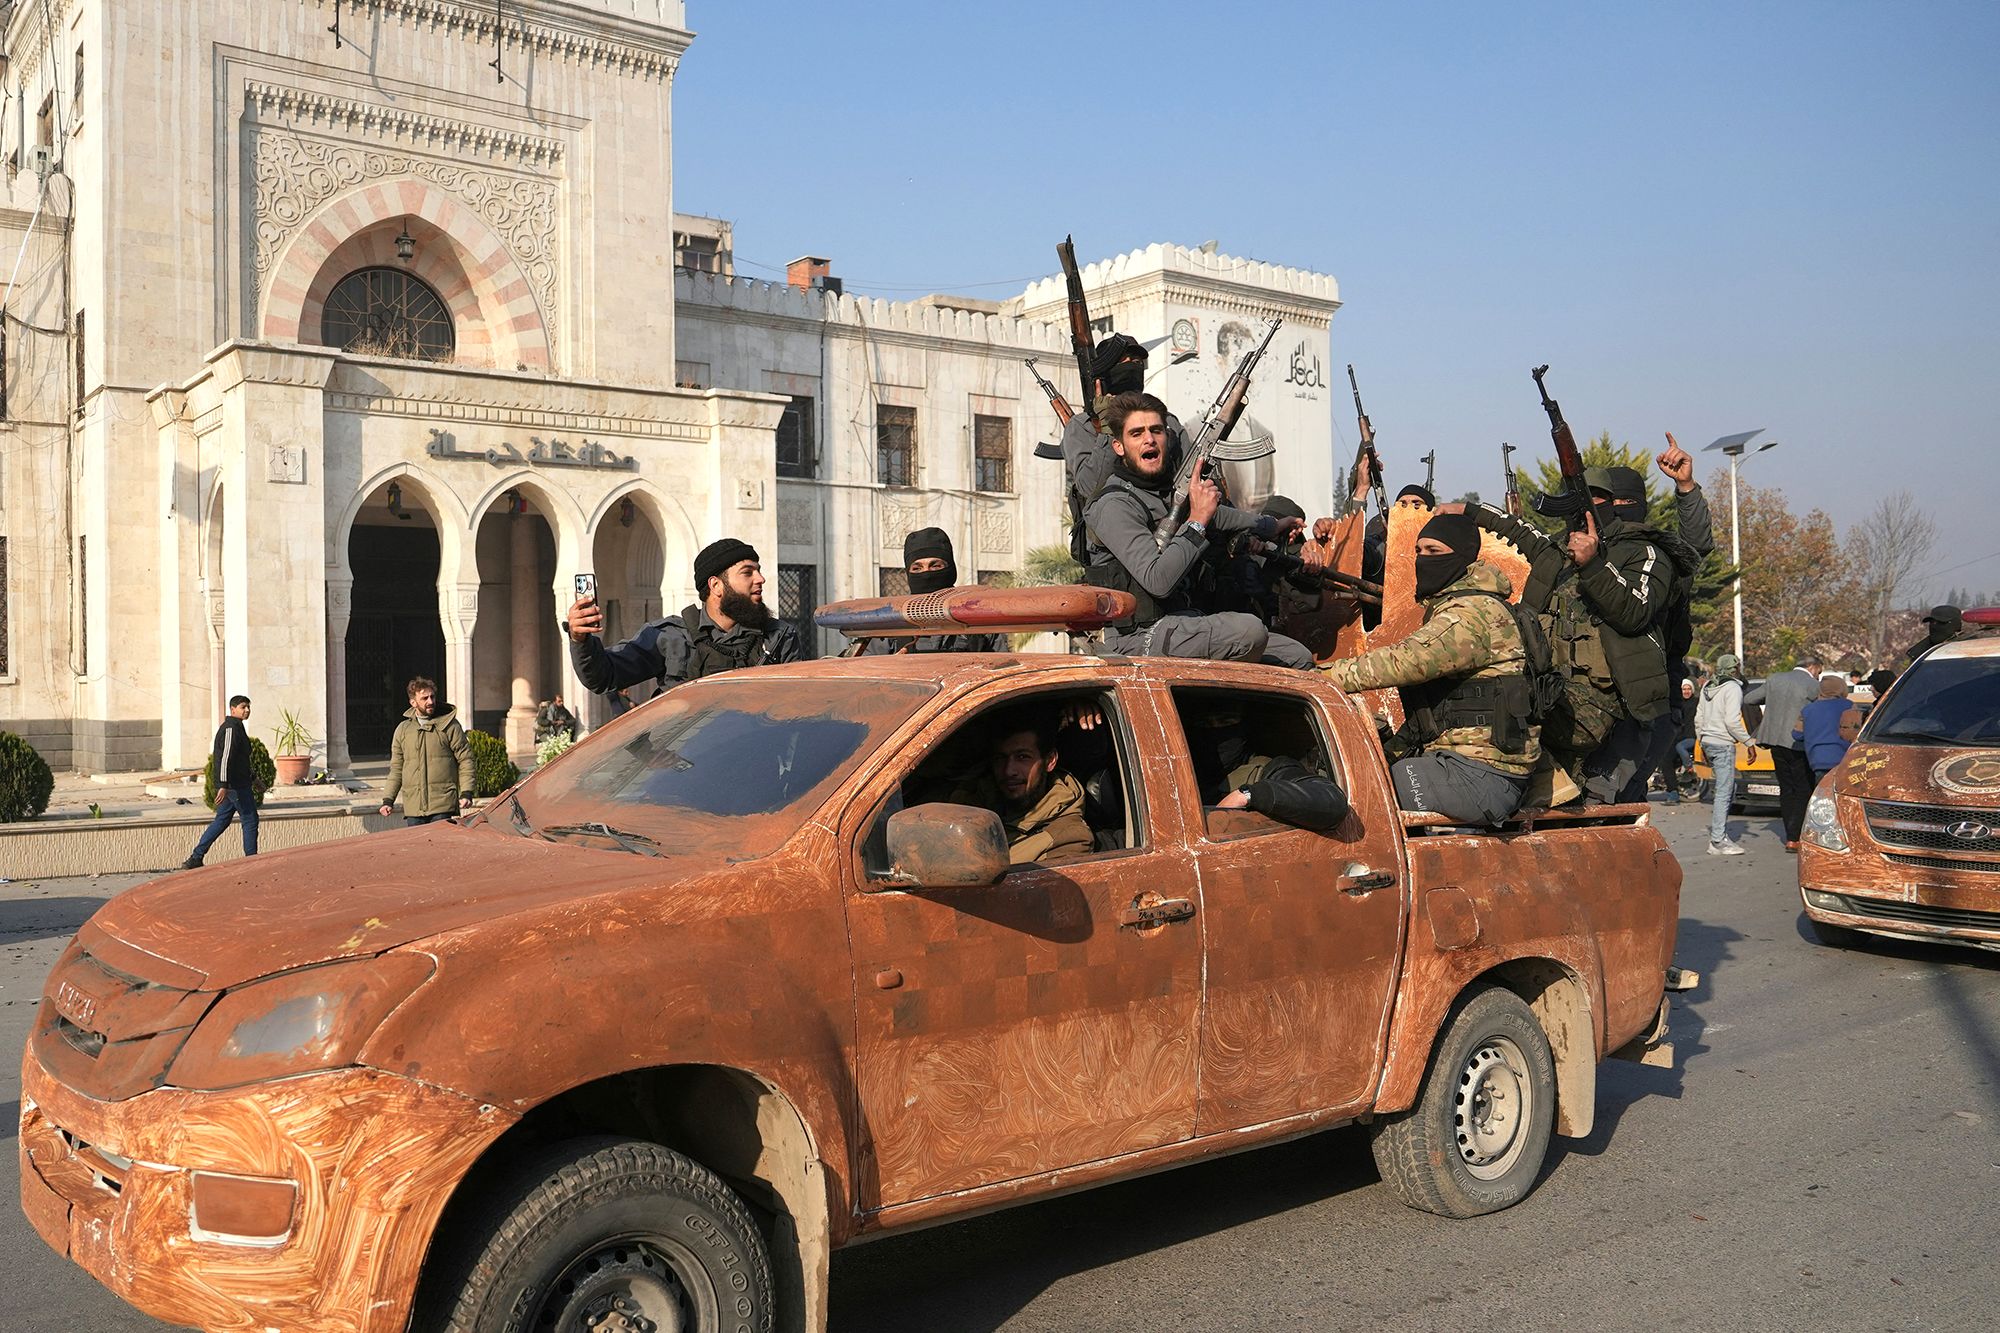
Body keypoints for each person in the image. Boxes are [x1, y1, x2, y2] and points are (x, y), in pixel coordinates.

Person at [1468, 466, 1673, 804]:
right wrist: (1467, 511)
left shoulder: (1645, 553)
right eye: (1578, 498)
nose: (1585, 508)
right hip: (1553, 699)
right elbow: (1520, 532)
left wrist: (1592, 564)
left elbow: (1634, 611)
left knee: (1601, 813)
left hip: (1607, 712)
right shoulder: (1556, 554)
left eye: (1598, 498)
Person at [1324, 512, 1539, 825]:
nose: (1423, 559)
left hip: (1482, 776)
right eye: (1419, 551)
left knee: (1369, 788)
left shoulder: (1472, 614)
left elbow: (1403, 661)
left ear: (1463, 558)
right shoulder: (1461, 605)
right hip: (1463, 765)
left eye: (1434, 552)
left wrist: (1321, 678)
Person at [1081, 392, 1312, 666]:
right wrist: (1198, 520)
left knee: (1298, 657)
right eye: (1137, 433)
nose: (1149, 439)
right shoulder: (1113, 505)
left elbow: (1219, 514)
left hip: (1181, 621)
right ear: (1119, 447)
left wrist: (1270, 525)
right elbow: (1158, 580)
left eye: (1156, 430)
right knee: (1249, 632)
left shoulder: (1162, 492)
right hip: (1135, 637)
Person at [566, 537, 801, 695]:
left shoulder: (778, 637)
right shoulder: (670, 636)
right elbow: (602, 677)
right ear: (716, 586)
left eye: (758, 571)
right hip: (685, 765)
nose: (760, 579)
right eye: (747, 573)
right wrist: (580, 639)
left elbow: (799, 706)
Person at [950, 707, 1093, 865]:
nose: (1009, 770)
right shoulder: (968, 797)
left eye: (1023, 757)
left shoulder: (1069, 838)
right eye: (1000, 758)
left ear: (1050, 760)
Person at [1184, 703, 1350, 832]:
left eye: (1226, 722)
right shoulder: (1179, 772)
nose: (1215, 732)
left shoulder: (1266, 769)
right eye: (1205, 724)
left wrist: (1248, 795)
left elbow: (1331, 801)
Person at [864, 527, 1002, 654]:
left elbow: (1005, 671)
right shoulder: (891, 623)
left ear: (951, 570)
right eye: (917, 568)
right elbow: (863, 673)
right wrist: (889, 668)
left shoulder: (978, 619)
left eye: (935, 566)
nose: (927, 574)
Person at [1748, 656, 1821, 852]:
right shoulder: (1812, 684)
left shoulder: (1774, 679)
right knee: (1803, 789)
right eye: (1819, 672)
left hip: (1774, 741)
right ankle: (1796, 836)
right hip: (1798, 743)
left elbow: (1749, 699)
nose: (1818, 676)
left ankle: (1789, 836)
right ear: (1812, 667)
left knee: (1786, 788)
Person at [379, 677, 474, 826]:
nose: (430, 701)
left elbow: (466, 760)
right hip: (414, 809)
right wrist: (388, 800)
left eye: (432, 696)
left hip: (443, 805)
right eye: (425, 698)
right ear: (413, 702)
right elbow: (397, 769)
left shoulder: (450, 726)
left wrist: (466, 792)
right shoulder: (403, 730)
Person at [181, 695, 259, 868]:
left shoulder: (238, 727)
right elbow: (225, 759)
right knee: (250, 819)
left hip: (237, 784)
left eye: (248, 707)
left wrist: (253, 778)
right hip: (235, 787)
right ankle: (252, 861)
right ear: (233, 709)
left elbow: (240, 760)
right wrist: (222, 786)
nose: (247, 710)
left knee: (222, 820)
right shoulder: (231, 728)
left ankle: (196, 857)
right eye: (243, 707)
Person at [1694, 654, 1756, 855]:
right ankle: (1718, 841)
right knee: (1724, 791)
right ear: (1735, 668)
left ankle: (1718, 836)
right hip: (1722, 743)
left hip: (1708, 741)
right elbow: (1732, 721)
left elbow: (1699, 718)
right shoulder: (1733, 688)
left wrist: (1701, 742)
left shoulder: (1707, 686)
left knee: (1724, 789)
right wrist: (1749, 742)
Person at [1359, 483, 1433, 630]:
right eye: (1402, 505)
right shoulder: (1377, 546)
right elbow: (1354, 551)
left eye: (1416, 505)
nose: (1408, 510)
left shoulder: (1440, 550)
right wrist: (1361, 491)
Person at [1795, 674, 1854, 784]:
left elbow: (1797, 734)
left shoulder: (1807, 710)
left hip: (1818, 760)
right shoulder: (1849, 706)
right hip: (1844, 759)